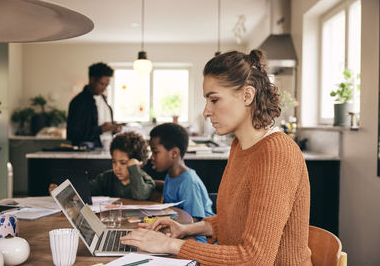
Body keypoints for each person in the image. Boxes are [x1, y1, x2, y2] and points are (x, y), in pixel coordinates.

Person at [121, 50, 312, 265]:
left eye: (214, 99)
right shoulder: (240, 145)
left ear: (247, 96)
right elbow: (234, 221)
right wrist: (185, 229)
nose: (206, 111)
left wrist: (170, 245)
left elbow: (255, 258)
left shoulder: (276, 153)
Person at [148, 123, 214, 242]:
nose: (151, 157)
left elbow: (192, 221)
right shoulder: (171, 175)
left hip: (198, 239)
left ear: (174, 153)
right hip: (180, 232)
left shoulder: (189, 182)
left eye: (155, 152)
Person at [49, 131, 156, 200]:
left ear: (138, 163)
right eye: (114, 161)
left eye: (123, 163)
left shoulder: (146, 180)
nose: (116, 167)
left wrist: (133, 168)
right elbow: (85, 190)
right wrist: (62, 191)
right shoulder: (106, 178)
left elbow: (140, 195)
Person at [66, 62, 121, 148]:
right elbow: (73, 134)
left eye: (107, 85)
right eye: (102, 84)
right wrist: (101, 129)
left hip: (105, 148)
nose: (104, 88)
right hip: (88, 152)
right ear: (92, 80)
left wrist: (113, 128)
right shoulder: (78, 102)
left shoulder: (103, 99)